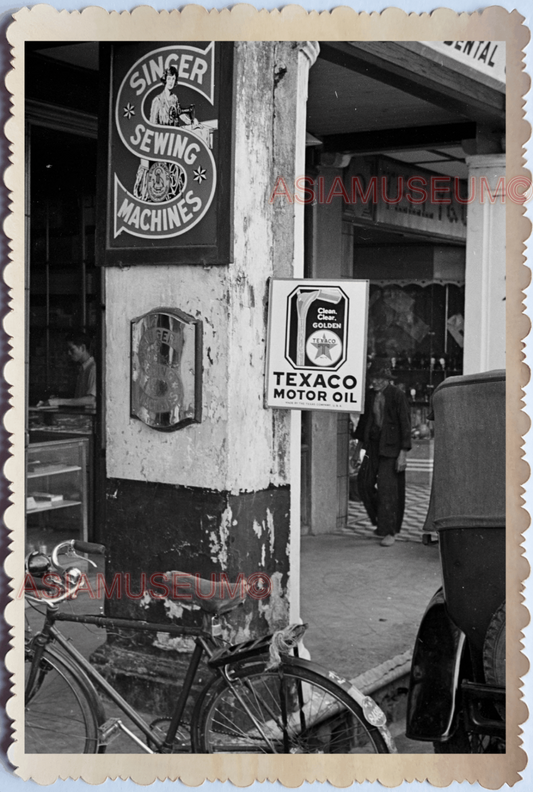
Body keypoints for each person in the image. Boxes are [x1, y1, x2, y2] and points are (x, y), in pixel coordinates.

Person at [354, 359, 411, 547]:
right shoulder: (369, 396)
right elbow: (363, 424)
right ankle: (382, 520)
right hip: (372, 447)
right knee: (363, 483)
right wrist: (357, 450)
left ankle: (389, 531)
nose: (376, 381)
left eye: (380, 378)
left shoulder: (398, 396)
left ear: (387, 379)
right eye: (374, 377)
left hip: (391, 449)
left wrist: (402, 453)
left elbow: (405, 425)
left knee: (388, 489)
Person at [43, 332, 96, 408]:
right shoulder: (83, 369)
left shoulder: (93, 368)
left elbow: (91, 400)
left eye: (72, 349)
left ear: (83, 348)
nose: (69, 353)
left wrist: (59, 401)